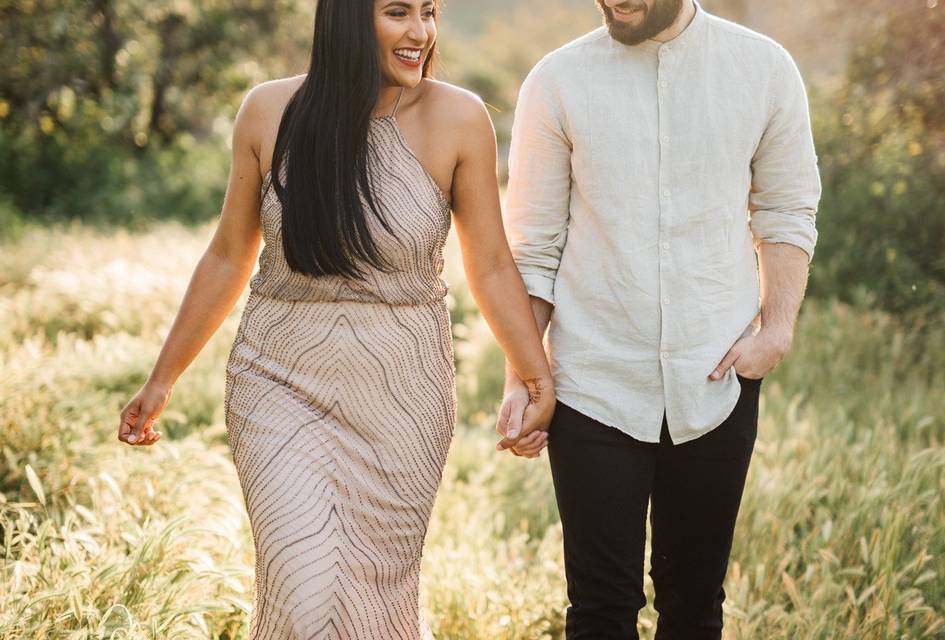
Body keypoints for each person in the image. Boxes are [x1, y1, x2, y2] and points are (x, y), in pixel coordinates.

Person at [115, 1, 556, 637]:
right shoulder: (268, 111)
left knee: (379, 597)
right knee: (302, 589)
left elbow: (489, 265)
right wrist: (162, 380)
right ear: (347, 16)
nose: (420, 32)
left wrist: (535, 378)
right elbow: (227, 256)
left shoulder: (459, 118)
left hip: (403, 394)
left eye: (429, 12)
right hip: (278, 383)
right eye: (398, 12)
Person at [497, 0, 822, 637]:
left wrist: (775, 332)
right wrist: (524, 376)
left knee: (695, 609)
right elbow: (532, 247)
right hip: (593, 386)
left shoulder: (763, 69)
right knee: (599, 611)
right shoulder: (556, 80)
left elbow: (786, 208)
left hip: (717, 381)